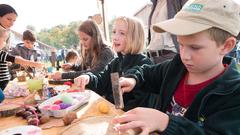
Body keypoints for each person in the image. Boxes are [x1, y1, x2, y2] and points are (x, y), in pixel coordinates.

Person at [111, 0, 240, 134]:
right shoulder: (176, 67)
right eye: (181, 44)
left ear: (226, 46)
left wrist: (166, 122)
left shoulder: (234, 93)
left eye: (195, 47)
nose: (184, 56)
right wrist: (134, 79)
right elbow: (147, 72)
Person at [74, 16, 155, 111]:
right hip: (114, 115)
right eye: (114, 32)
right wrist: (88, 78)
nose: (115, 37)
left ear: (135, 37)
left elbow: (141, 102)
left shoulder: (144, 64)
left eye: (122, 33)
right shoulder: (115, 63)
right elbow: (100, 83)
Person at [0, 27, 43, 92]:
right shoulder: (15, 50)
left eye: (32, 43)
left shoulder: (36, 51)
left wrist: (34, 65)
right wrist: (22, 64)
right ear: (23, 40)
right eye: (28, 42)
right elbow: (14, 61)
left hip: (31, 77)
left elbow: (38, 64)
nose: (30, 45)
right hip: (16, 79)